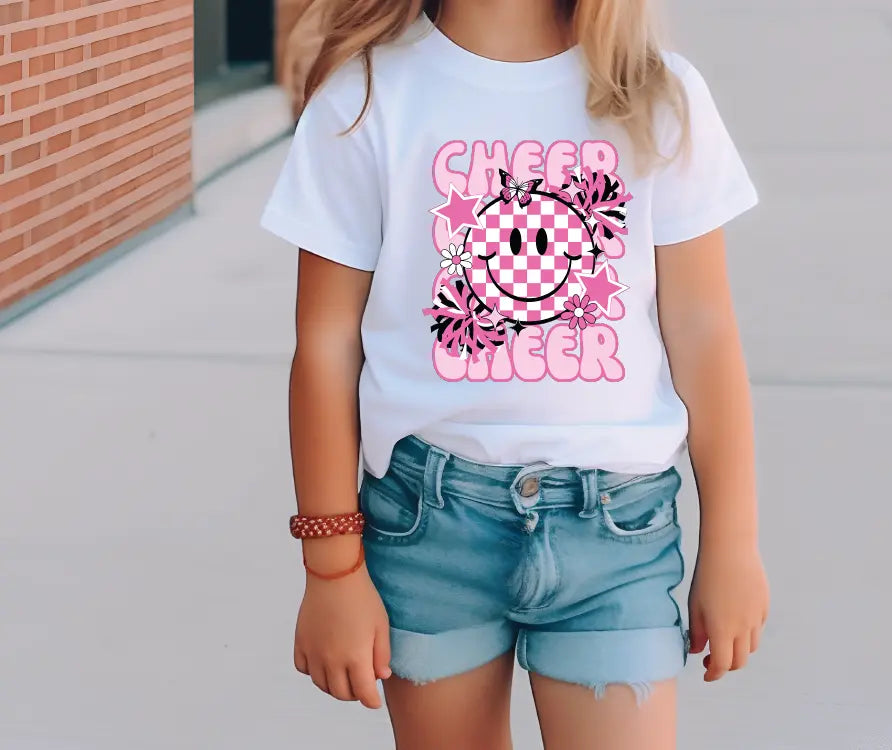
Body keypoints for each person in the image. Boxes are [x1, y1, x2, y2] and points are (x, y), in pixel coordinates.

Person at [261, 1, 769, 747]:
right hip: (428, 528)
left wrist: (733, 540)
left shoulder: (658, 96)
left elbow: (704, 331)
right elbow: (326, 344)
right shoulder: (365, 96)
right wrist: (331, 570)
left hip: (616, 534)